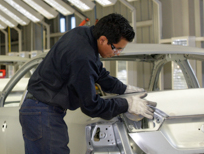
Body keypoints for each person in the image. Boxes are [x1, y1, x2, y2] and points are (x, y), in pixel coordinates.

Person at [19, 13, 157, 153]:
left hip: (38, 109)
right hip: (43, 112)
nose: (118, 53)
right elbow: (91, 106)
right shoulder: (82, 57)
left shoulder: (83, 34)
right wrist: (126, 104)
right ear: (103, 40)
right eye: (117, 48)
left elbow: (98, 72)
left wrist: (124, 89)